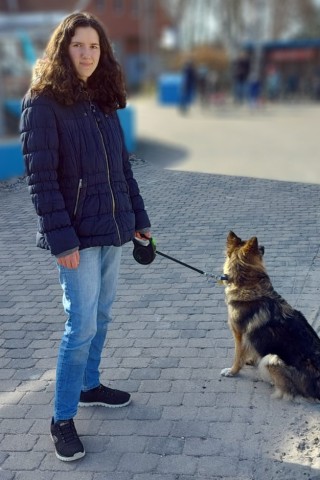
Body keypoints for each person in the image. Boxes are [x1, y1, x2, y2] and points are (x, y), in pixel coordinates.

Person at [20, 12, 151, 462]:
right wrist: (62, 241)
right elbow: (41, 179)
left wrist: (139, 219)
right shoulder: (42, 102)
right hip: (75, 236)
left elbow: (122, 169)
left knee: (103, 314)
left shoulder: (103, 100)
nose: (87, 54)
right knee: (80, 326)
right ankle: (61, 417)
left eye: (94, 46)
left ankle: (90, 385)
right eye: (79, 45)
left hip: (111, 229)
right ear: (63, 47)